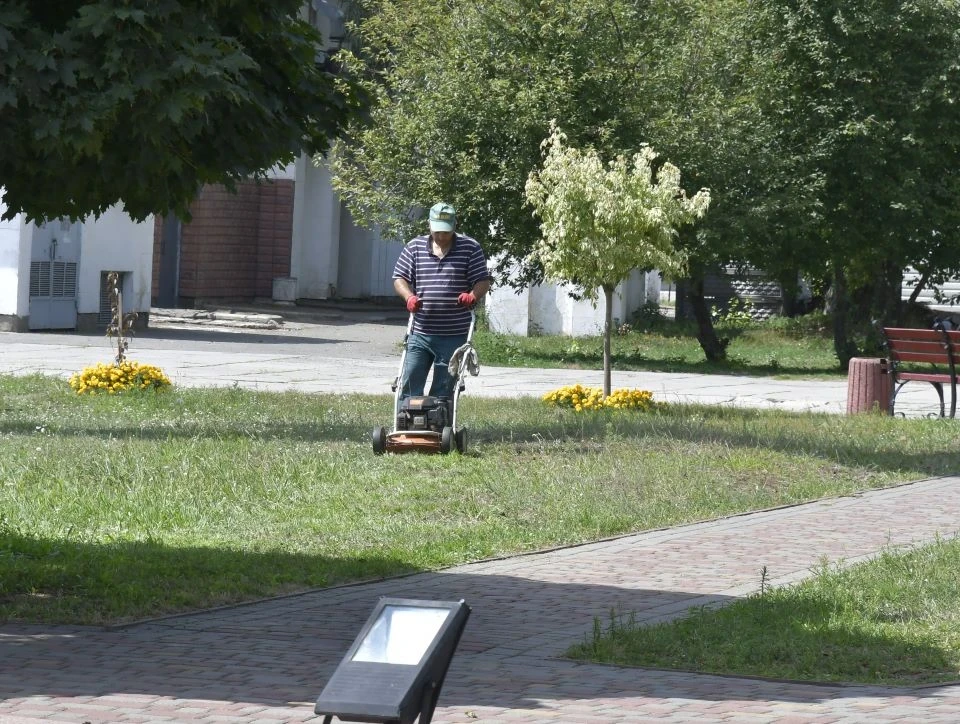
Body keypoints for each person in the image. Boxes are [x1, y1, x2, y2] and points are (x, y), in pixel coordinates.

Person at [393, 202, 491, 402]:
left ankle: (439, 426)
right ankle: (406, 424)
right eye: (437, 231)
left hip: (454, 334)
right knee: (410, 379)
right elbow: (399, 277)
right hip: (420, 332)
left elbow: (483, 280)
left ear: (454, 226)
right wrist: (409, 297)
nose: (441, 236)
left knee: (445, 386)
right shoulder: (415, 247)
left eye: (445, 232)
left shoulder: (470, 248)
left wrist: (473, 296)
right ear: (429, 225)